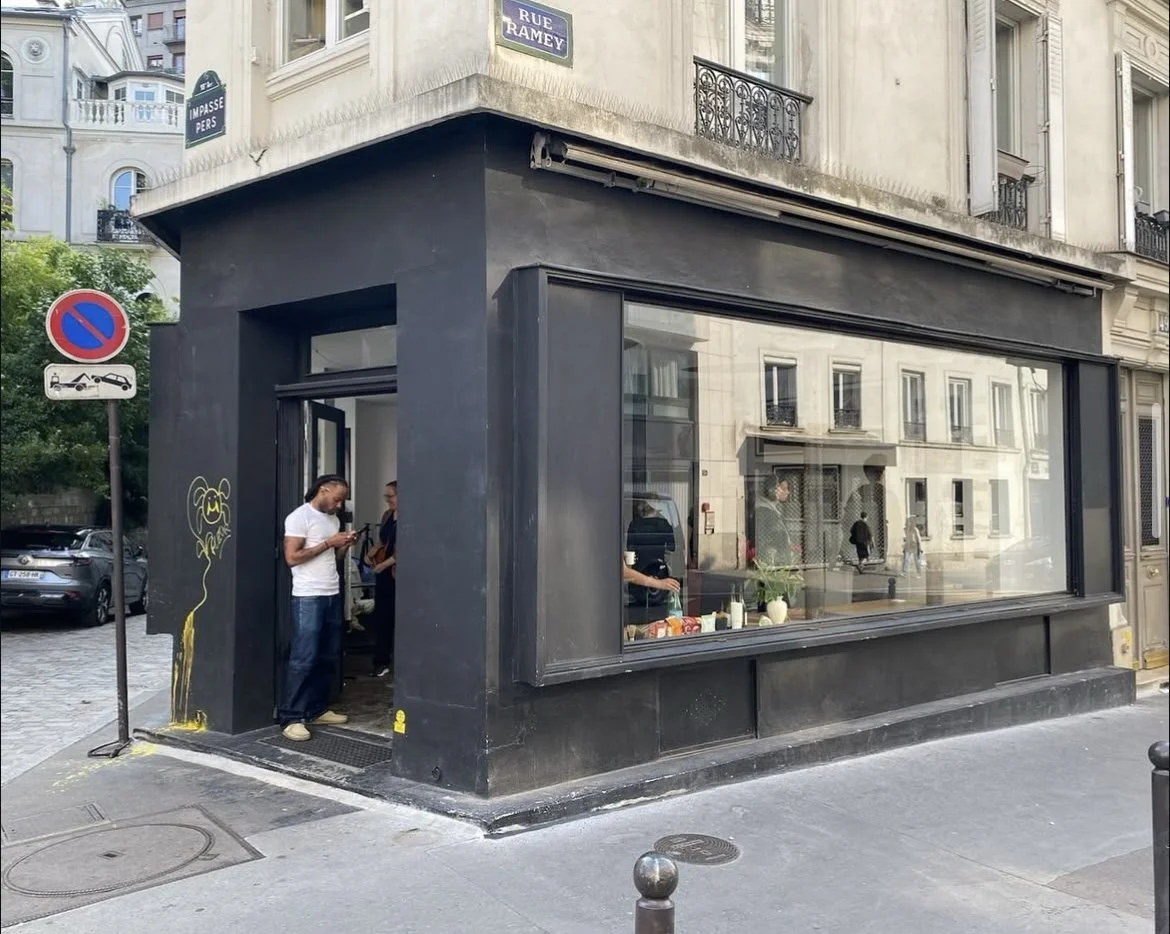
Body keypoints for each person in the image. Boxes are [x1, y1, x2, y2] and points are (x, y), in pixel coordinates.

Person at [278, 474, 357, 742]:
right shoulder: (299, 517)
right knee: (303, 657)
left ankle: (316, 709)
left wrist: (343, 546)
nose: (338, 505)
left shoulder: (332, 520)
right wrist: (328, 543)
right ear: (323, 490)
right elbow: (291, 558)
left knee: (328, 655)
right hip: (307, 596)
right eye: (336, 499)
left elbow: (333, 558)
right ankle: (291, 716)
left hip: (331, 593)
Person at [368, 481, 397, 678]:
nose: (387, 500)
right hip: (383, 572)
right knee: (383, 616)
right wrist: (371, 552)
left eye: (390, 496)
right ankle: (381, 660)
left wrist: (383, 565)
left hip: (395, 571)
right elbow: (382, 540)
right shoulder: (387, 515)